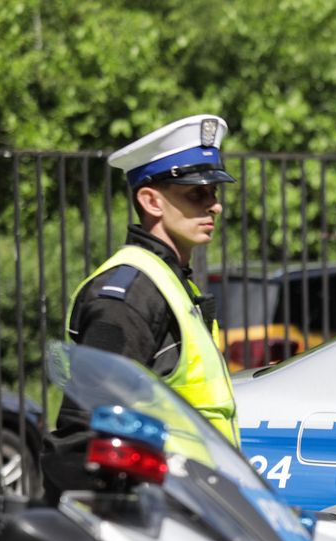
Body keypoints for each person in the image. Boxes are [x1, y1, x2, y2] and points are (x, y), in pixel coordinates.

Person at [64, 114, 239, 445]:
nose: (214, 206)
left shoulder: (173, 282)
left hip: (194, 493)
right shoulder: (129, 293)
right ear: (150, 201)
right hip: (154, 494)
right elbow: (88, 428)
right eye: (196, 194)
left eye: (213, 192)